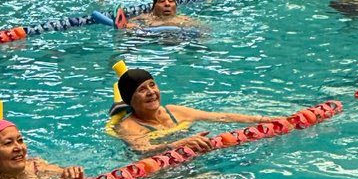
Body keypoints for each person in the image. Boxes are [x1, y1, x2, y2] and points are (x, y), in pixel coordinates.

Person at [107, 66, 279, 153]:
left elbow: (222, 117)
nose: (151, 92)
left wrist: (264, 120)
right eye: (142, 90)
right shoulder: (129, 127)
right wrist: (175, 145)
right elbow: (142, 150)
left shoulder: (174, 111)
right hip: (162, 171)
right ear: (131, 99)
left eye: (152, 85)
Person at [126, 0, 201, 30]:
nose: (167, 4)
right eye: (162, 1)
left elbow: (204, 31)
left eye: (171, 1)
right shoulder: (142, 19)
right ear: (154, 6)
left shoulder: (185, 20)